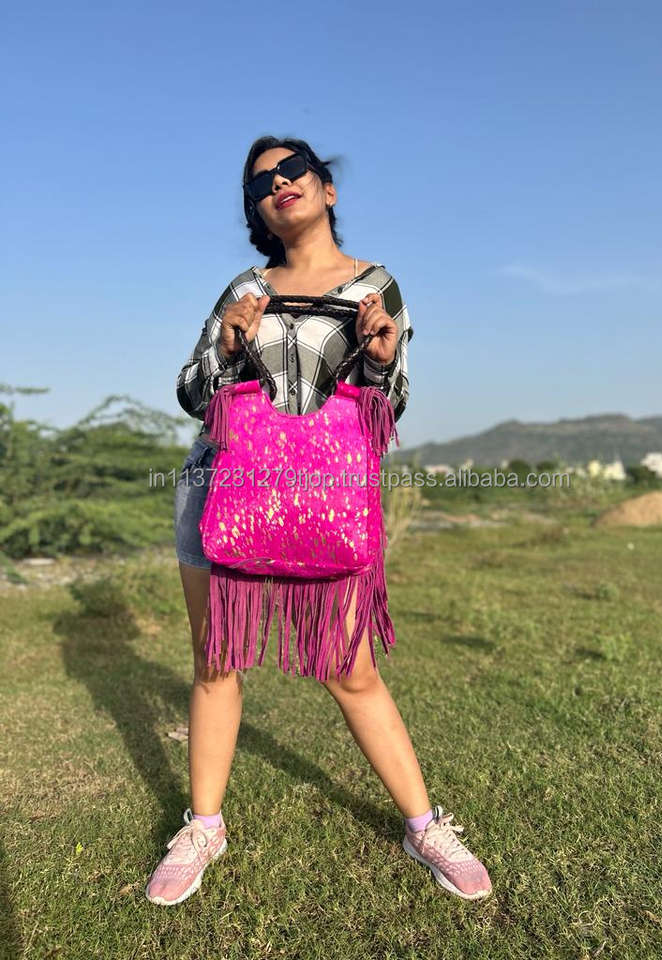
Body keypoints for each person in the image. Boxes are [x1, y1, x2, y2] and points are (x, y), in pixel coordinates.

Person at [145, 136, 493, 906]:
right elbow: (193, 393)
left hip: (324, 497)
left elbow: (388, 407)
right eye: (260, 183)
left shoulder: (375, 286)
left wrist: (379, 359)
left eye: (291, 169)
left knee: (350, 667)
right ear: (257, 212)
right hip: (224, 486)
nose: (278, 183)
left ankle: (424, 825)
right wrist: (228, 344)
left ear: (326, 187)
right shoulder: (243, 288)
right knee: (215, 660)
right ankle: (204, 826)